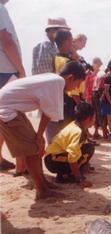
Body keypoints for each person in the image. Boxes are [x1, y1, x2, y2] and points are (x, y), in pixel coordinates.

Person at [0, 61, 87, 200]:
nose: (74, 88)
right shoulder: (57, 82)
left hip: (12, 108)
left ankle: (43, 184)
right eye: (76, 84)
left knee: (34, 148)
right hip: (6, 110)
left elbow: (46, 110)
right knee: (32, 152)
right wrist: (39, 137)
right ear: (70, 77)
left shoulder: (53, 79)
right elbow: (48, 113)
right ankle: (42, 191)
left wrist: (38, 137)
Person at [0, 0, 26, 174]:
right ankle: (21, 166)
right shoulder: (0, 8)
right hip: (7, 70)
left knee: (2, 119)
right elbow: (7, 41)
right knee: (15, 119)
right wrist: (21, 69)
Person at [44, 103, 95, 187]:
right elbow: (72, 156)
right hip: (53, 161)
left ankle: (68, 172)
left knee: (87, 146)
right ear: (89, 119)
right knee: (89, 148)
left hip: (52, 158)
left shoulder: (75, 124)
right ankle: (65, 176)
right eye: (94, 117)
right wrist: (79, 179)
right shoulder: (78, 132)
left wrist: (86, 165)